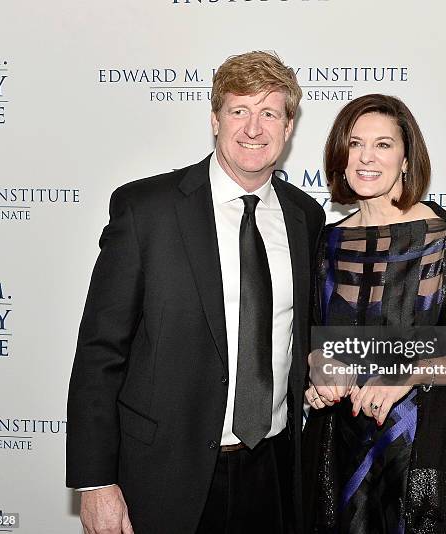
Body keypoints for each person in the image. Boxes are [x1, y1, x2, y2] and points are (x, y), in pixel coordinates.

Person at [66, 51, 325, 534]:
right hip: (164, 476)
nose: (253, 128)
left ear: (288, 128)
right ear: (214, 119)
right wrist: (96, 481)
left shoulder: (304, 216)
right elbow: (100, 352)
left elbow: (305, 336)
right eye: (238, 110)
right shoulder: (147, 210)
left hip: (273, 469)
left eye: (269, 113)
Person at [302, 94, 446, 533]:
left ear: (405, 158)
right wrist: (319, 367)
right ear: (340, 155)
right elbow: (311, 343)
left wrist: (409, 371)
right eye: (355, 143)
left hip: (424, 456)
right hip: (334, 457)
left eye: (383, 144)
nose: (366, 157)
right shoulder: (324, 244)